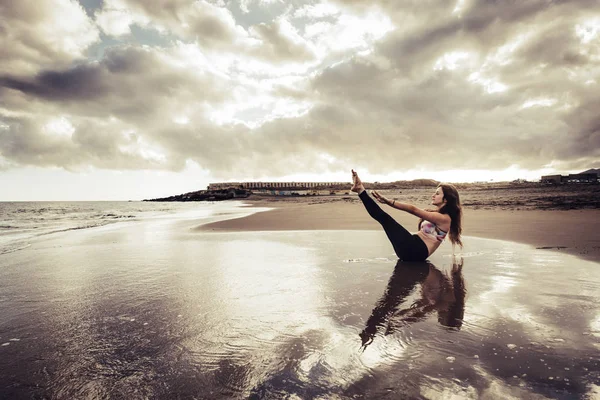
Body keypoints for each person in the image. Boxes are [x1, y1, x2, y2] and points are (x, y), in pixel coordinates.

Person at [351, 169, 462, 261]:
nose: (433, 195)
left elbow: (413, 209)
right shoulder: (437, 214)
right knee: (383, 219)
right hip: (413, 250)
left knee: (384, 218)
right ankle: (360, 189)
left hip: (414, 250)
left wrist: (389, 202)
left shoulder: (445, 219)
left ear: (446, 200)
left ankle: (360, 189)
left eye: (437, 194)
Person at [360, 258, 466, 350]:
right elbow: (422, 312)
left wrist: (399, 320)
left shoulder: (443, 302)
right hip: (419, 270)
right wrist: (399, 322)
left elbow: (421, 310)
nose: (439, 319)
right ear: (450, 316)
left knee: (389, 302)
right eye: (443, 321)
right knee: (389, 302)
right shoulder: (447, 303)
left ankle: (371, 330)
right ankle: (371, 330)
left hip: (419, 269)